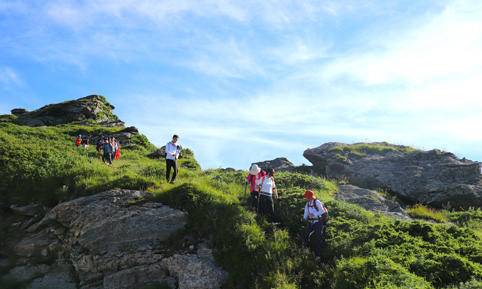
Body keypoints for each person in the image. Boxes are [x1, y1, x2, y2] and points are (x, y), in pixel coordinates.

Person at [303, 190, 328, 258]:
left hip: (318, 222)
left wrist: (314, 215)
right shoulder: (307, 204)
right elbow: (306, 212)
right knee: (306, 235)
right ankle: (306, 250)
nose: (306, 198)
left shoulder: (317, 202)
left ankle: (318, 254)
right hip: (311, 222)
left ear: (310, 197)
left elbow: (322, 211)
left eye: (307, 197)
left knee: (318, 237)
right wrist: (304, 218)